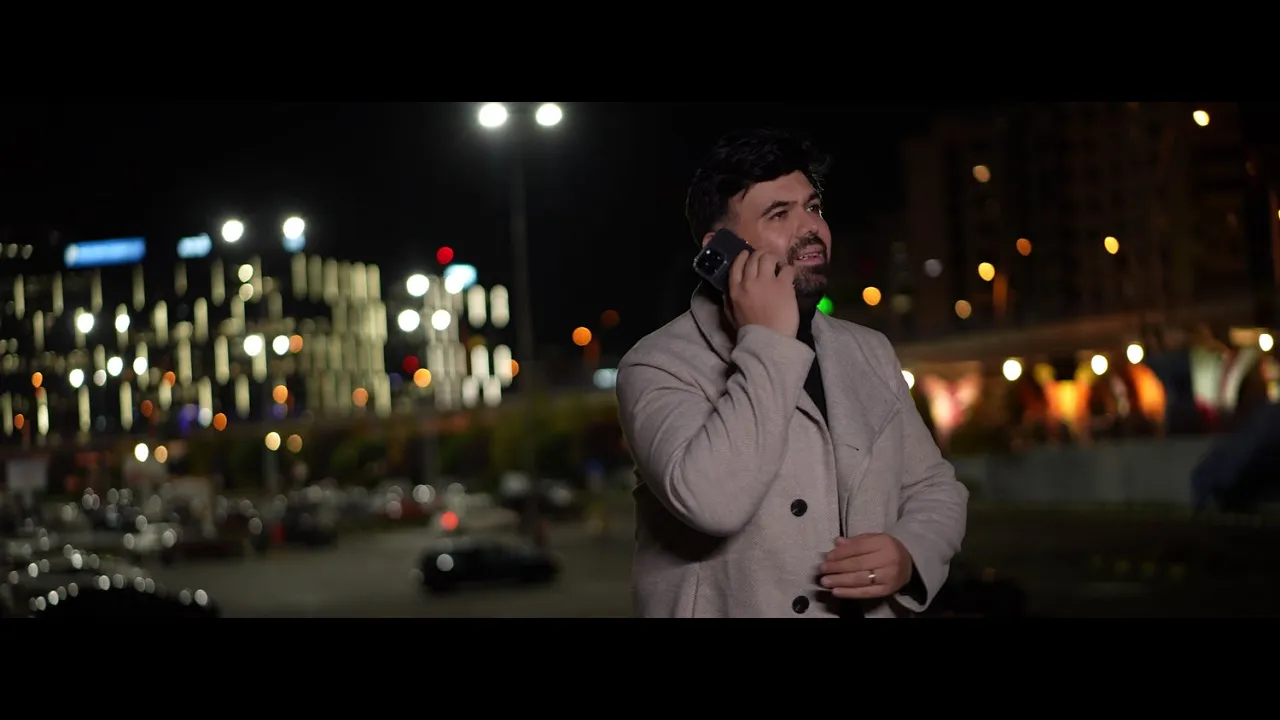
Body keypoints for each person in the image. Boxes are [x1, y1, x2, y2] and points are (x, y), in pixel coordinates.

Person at [616, 128, 968, 618]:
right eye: (780, 214)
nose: (812, 228)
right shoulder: (657, 364)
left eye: (813, 207)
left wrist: (909, 552)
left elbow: (934, 487)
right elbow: (712, 503)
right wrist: (768, 340)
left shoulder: (868, 351)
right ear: (722, 250)